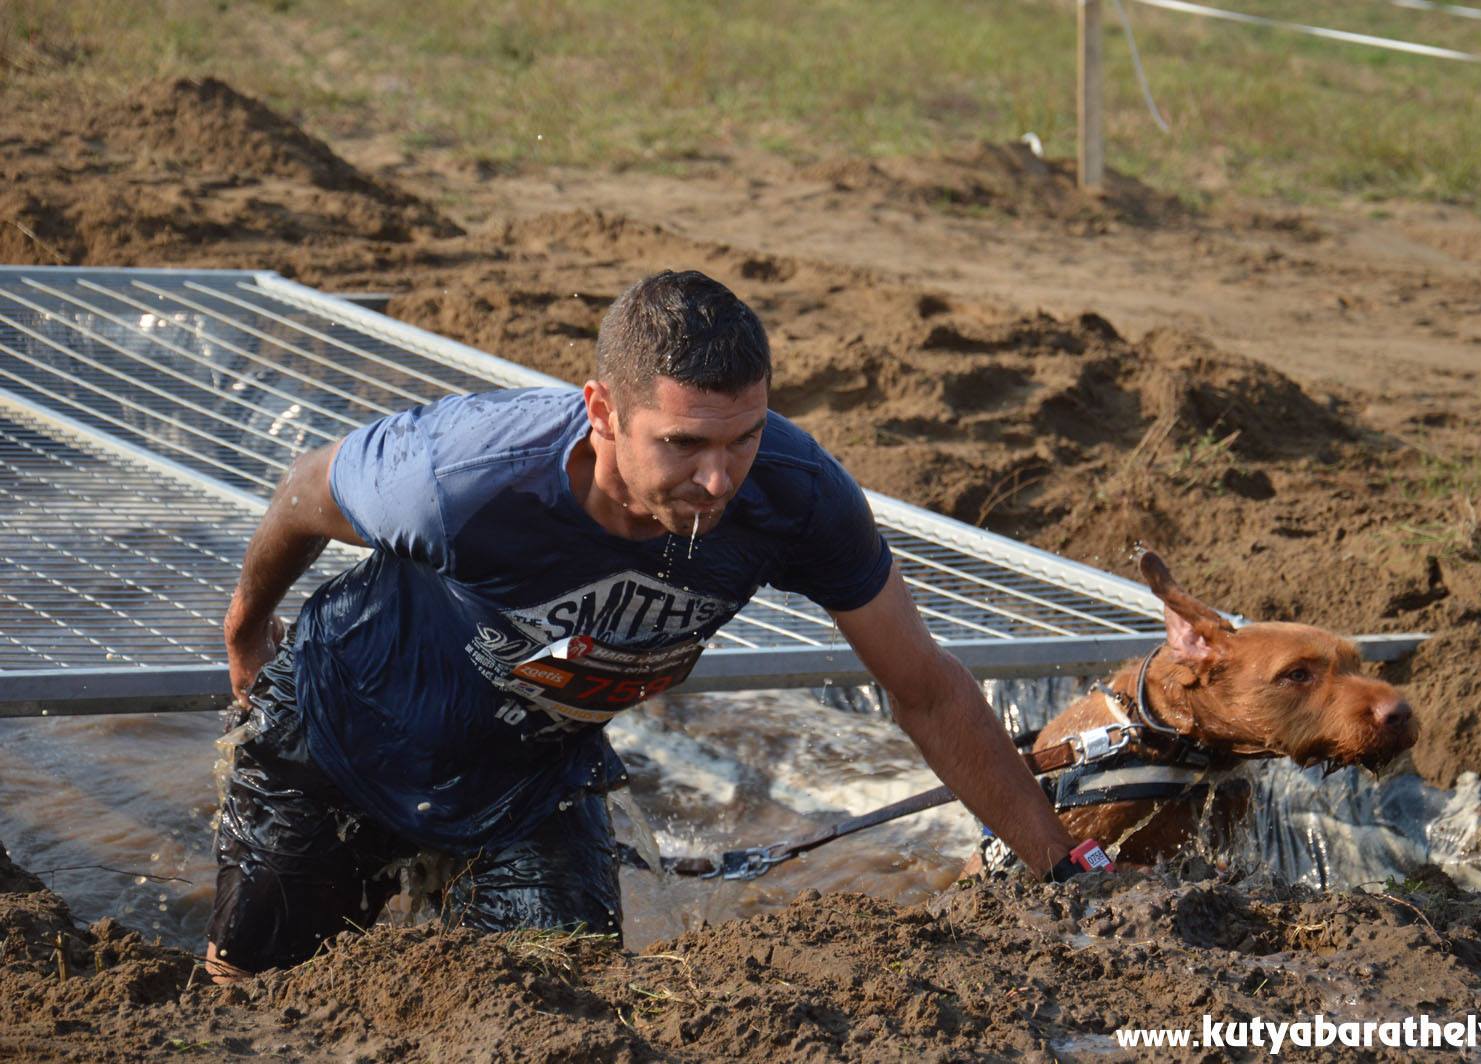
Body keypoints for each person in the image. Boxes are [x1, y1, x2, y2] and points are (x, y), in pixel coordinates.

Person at [207, 269, 1095, 981]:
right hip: (335, 737)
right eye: (681, 444)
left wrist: (1064, 874)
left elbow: (926, 687)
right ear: (601, 413)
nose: (718, 481)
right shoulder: (459, 479)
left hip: (526, 781)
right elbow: (301, 494)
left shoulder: (799, 497)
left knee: (566, 1006)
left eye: (741, 438)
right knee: (254, 992)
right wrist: (248, 631)